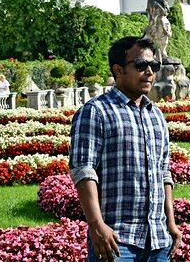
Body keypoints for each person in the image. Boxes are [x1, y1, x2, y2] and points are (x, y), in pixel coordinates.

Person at [70, 37, 182, 262]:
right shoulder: (96, 111)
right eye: (141, 65)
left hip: (159, 241)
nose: (149, 72)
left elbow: (164, 172)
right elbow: (83, 170)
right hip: (116, 241)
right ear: (118, 70)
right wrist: (97, 225)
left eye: (154, 66)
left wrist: (171, 223)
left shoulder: (156, 115)